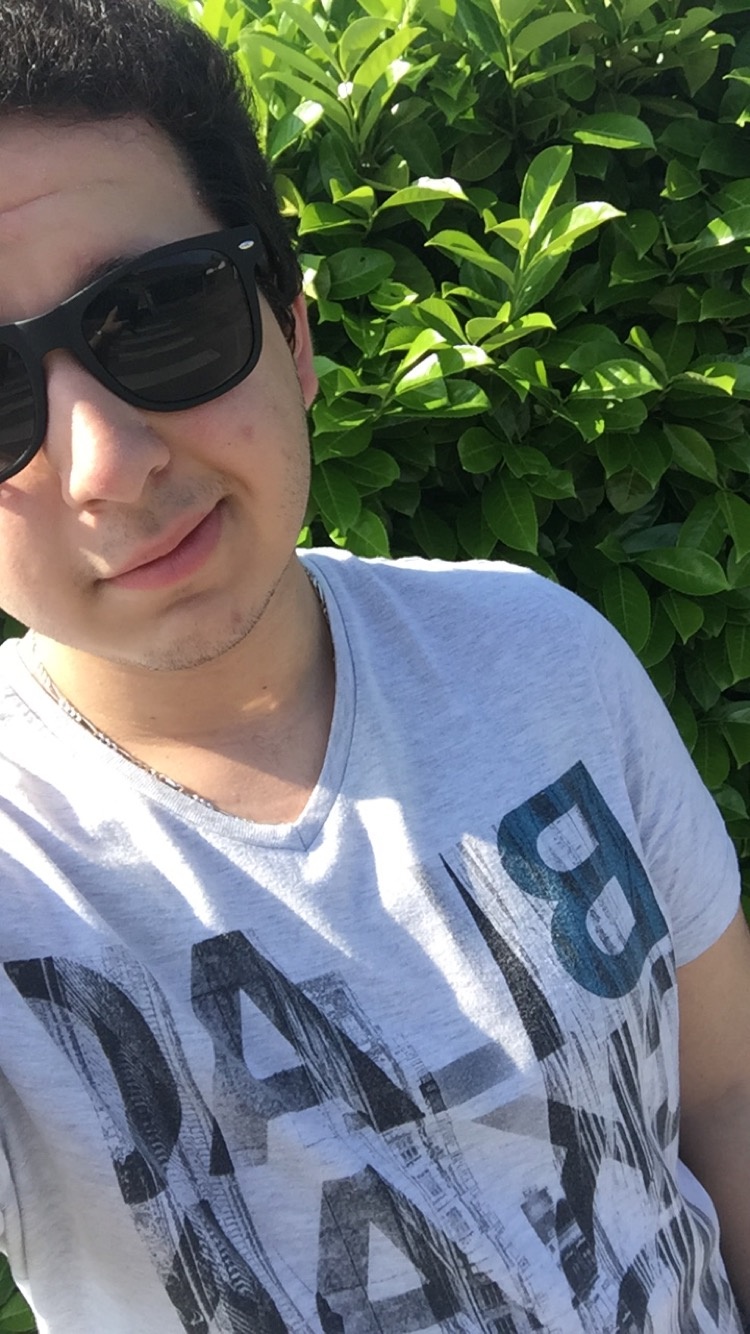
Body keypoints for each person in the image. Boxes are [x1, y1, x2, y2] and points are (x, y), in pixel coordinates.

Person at [0, 1, 747, 1330]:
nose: (109, 466)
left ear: (291, 331)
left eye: (159, 315)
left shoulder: (542, 649)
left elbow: (726, 1089)